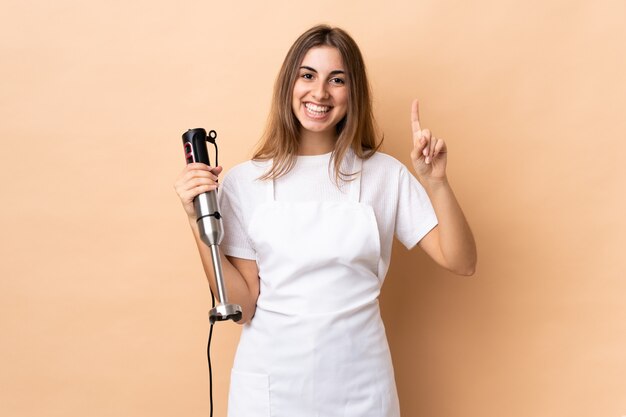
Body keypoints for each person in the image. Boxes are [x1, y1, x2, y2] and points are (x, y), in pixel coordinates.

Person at [174, 24, 476, 417]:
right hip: (269, 390)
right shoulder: (245, 182)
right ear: (289, 85)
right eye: (307, 75)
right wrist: (199, 220)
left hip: (361, 389)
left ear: (354, 93)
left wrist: (436, 183)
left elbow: (462, 261)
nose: (320, 93)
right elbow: (241, 306)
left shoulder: (384, 174)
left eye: (337, 79)